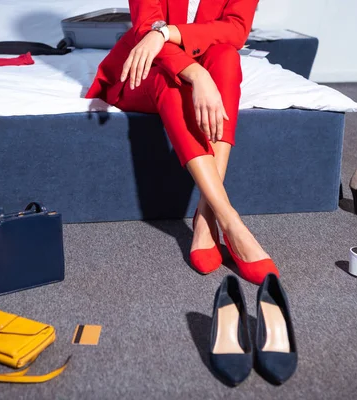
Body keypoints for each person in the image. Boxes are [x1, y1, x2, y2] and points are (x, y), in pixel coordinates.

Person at [86, 0, 278, 284]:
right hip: (143, 68)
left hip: (198, 52)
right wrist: (197, 74)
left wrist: (165, 33)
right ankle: (230, 222)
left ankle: (205, 215)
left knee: (226, 58)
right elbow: (144, 28)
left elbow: (235, 30)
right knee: (172, 83)